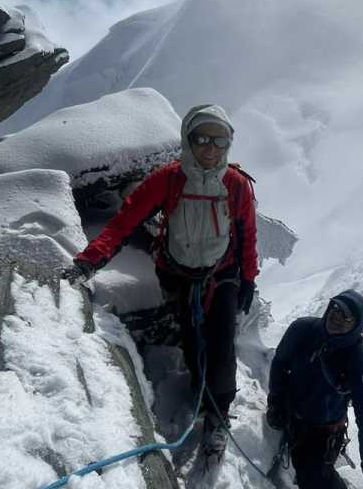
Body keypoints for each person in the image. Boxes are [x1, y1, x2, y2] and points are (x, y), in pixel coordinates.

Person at [63, 103, 258, 459]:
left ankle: (218, 414)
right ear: (188, 139)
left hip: (221, 276)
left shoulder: (236, 185)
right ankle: (200, 387)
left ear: (228, 144)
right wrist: (90, 261)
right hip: (179, 275)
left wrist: (247, 279)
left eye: (219, 140)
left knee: (222, 345)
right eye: (202, 138)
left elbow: (247, 236)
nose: (210, 148)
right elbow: (125, 221)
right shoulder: (168, 180)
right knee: (191, 336)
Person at [267, 290, 363, 489]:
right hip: (290, 413)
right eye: (335, 308)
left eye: (346, 316)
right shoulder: (303, 330)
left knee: (314, 478)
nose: (336, 316)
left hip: (322, 434)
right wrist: (275, 400)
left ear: (357, 325)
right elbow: (280, 362)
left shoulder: (358, 361)